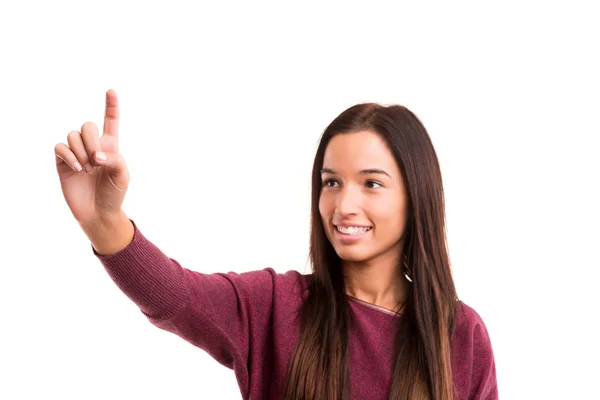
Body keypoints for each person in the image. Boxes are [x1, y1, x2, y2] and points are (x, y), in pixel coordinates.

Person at [54, 90, 498, 400]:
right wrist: (103, 219)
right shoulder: (277, 306)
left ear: (415, 195)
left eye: (372, 184)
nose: (344, 204)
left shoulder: (460, 335)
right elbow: (175, 296)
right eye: (331, 182)